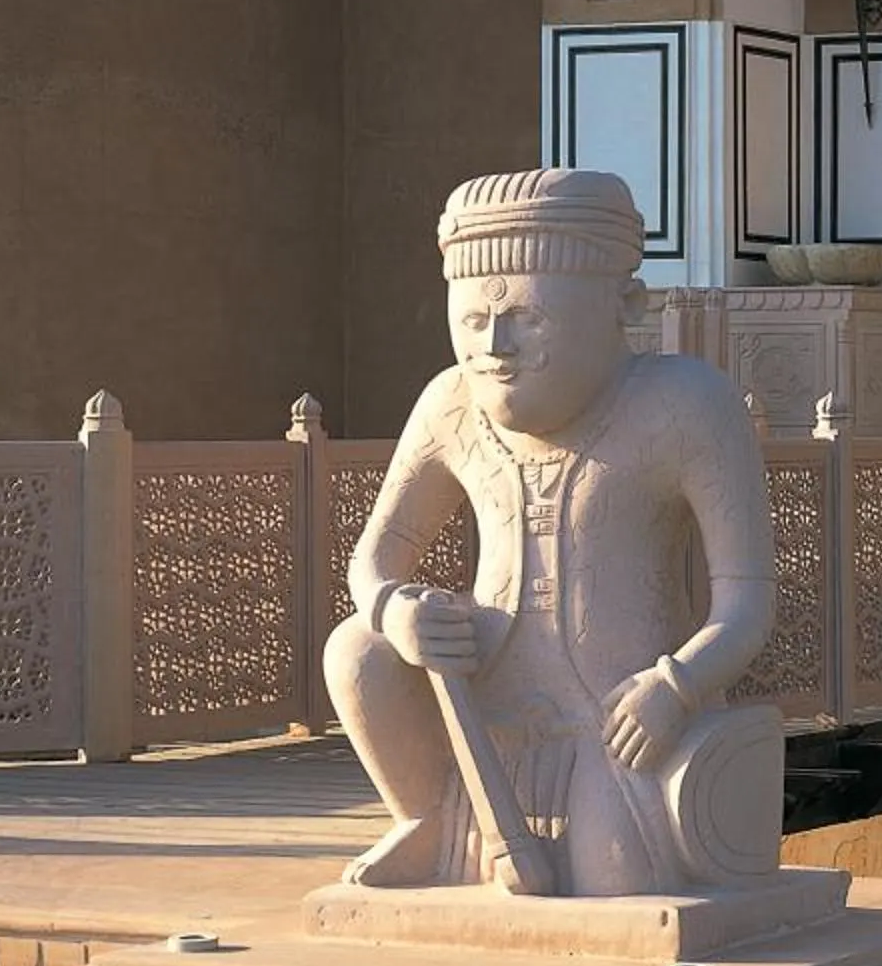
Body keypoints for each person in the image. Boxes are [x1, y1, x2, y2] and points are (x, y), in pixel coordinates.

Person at [324, 166, 777, 892]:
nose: (494, 345)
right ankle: (428, 818)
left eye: (527, 318)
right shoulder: (449, 404)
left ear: (623, 305)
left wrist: (678, 687)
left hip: (623, 715)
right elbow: (374, 558)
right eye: (474, 322)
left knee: (613, 889)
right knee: (357, 648)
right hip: (483, 696)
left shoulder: (687, 406)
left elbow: (748, 606)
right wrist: (395, 611)